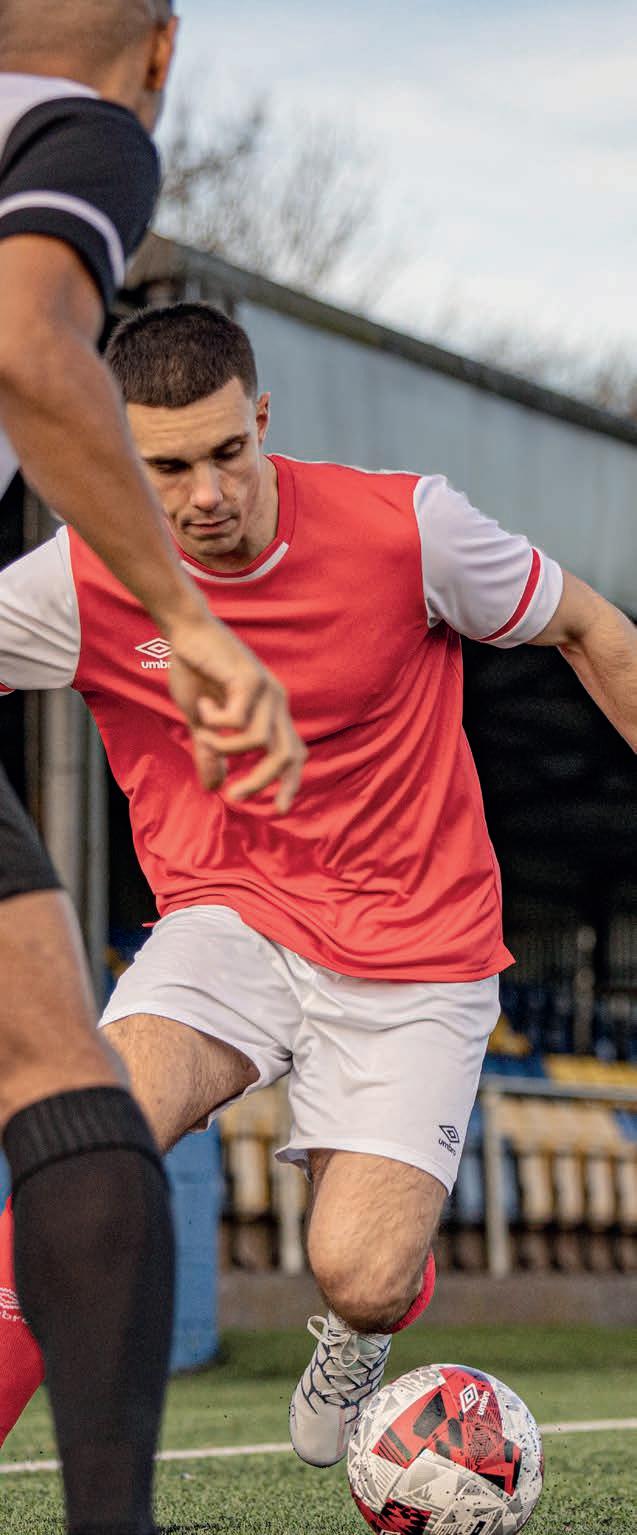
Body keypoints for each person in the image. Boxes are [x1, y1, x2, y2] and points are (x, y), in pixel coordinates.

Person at [0, 301, 635, 1477]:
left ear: (263, 418)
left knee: (363, 1271)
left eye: (227, 451)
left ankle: (359, 1325)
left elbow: (592, 626)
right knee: (82, 1152)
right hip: (224, 918)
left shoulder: (412, 529)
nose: (206, 494)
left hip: (421, 947)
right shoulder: (79, 578)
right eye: (166, 467)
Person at [0, 4, 304, 1531]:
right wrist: (186, 623)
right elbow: (29, 346)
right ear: (163, 51)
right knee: (67, 1083)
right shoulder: (74, 129)